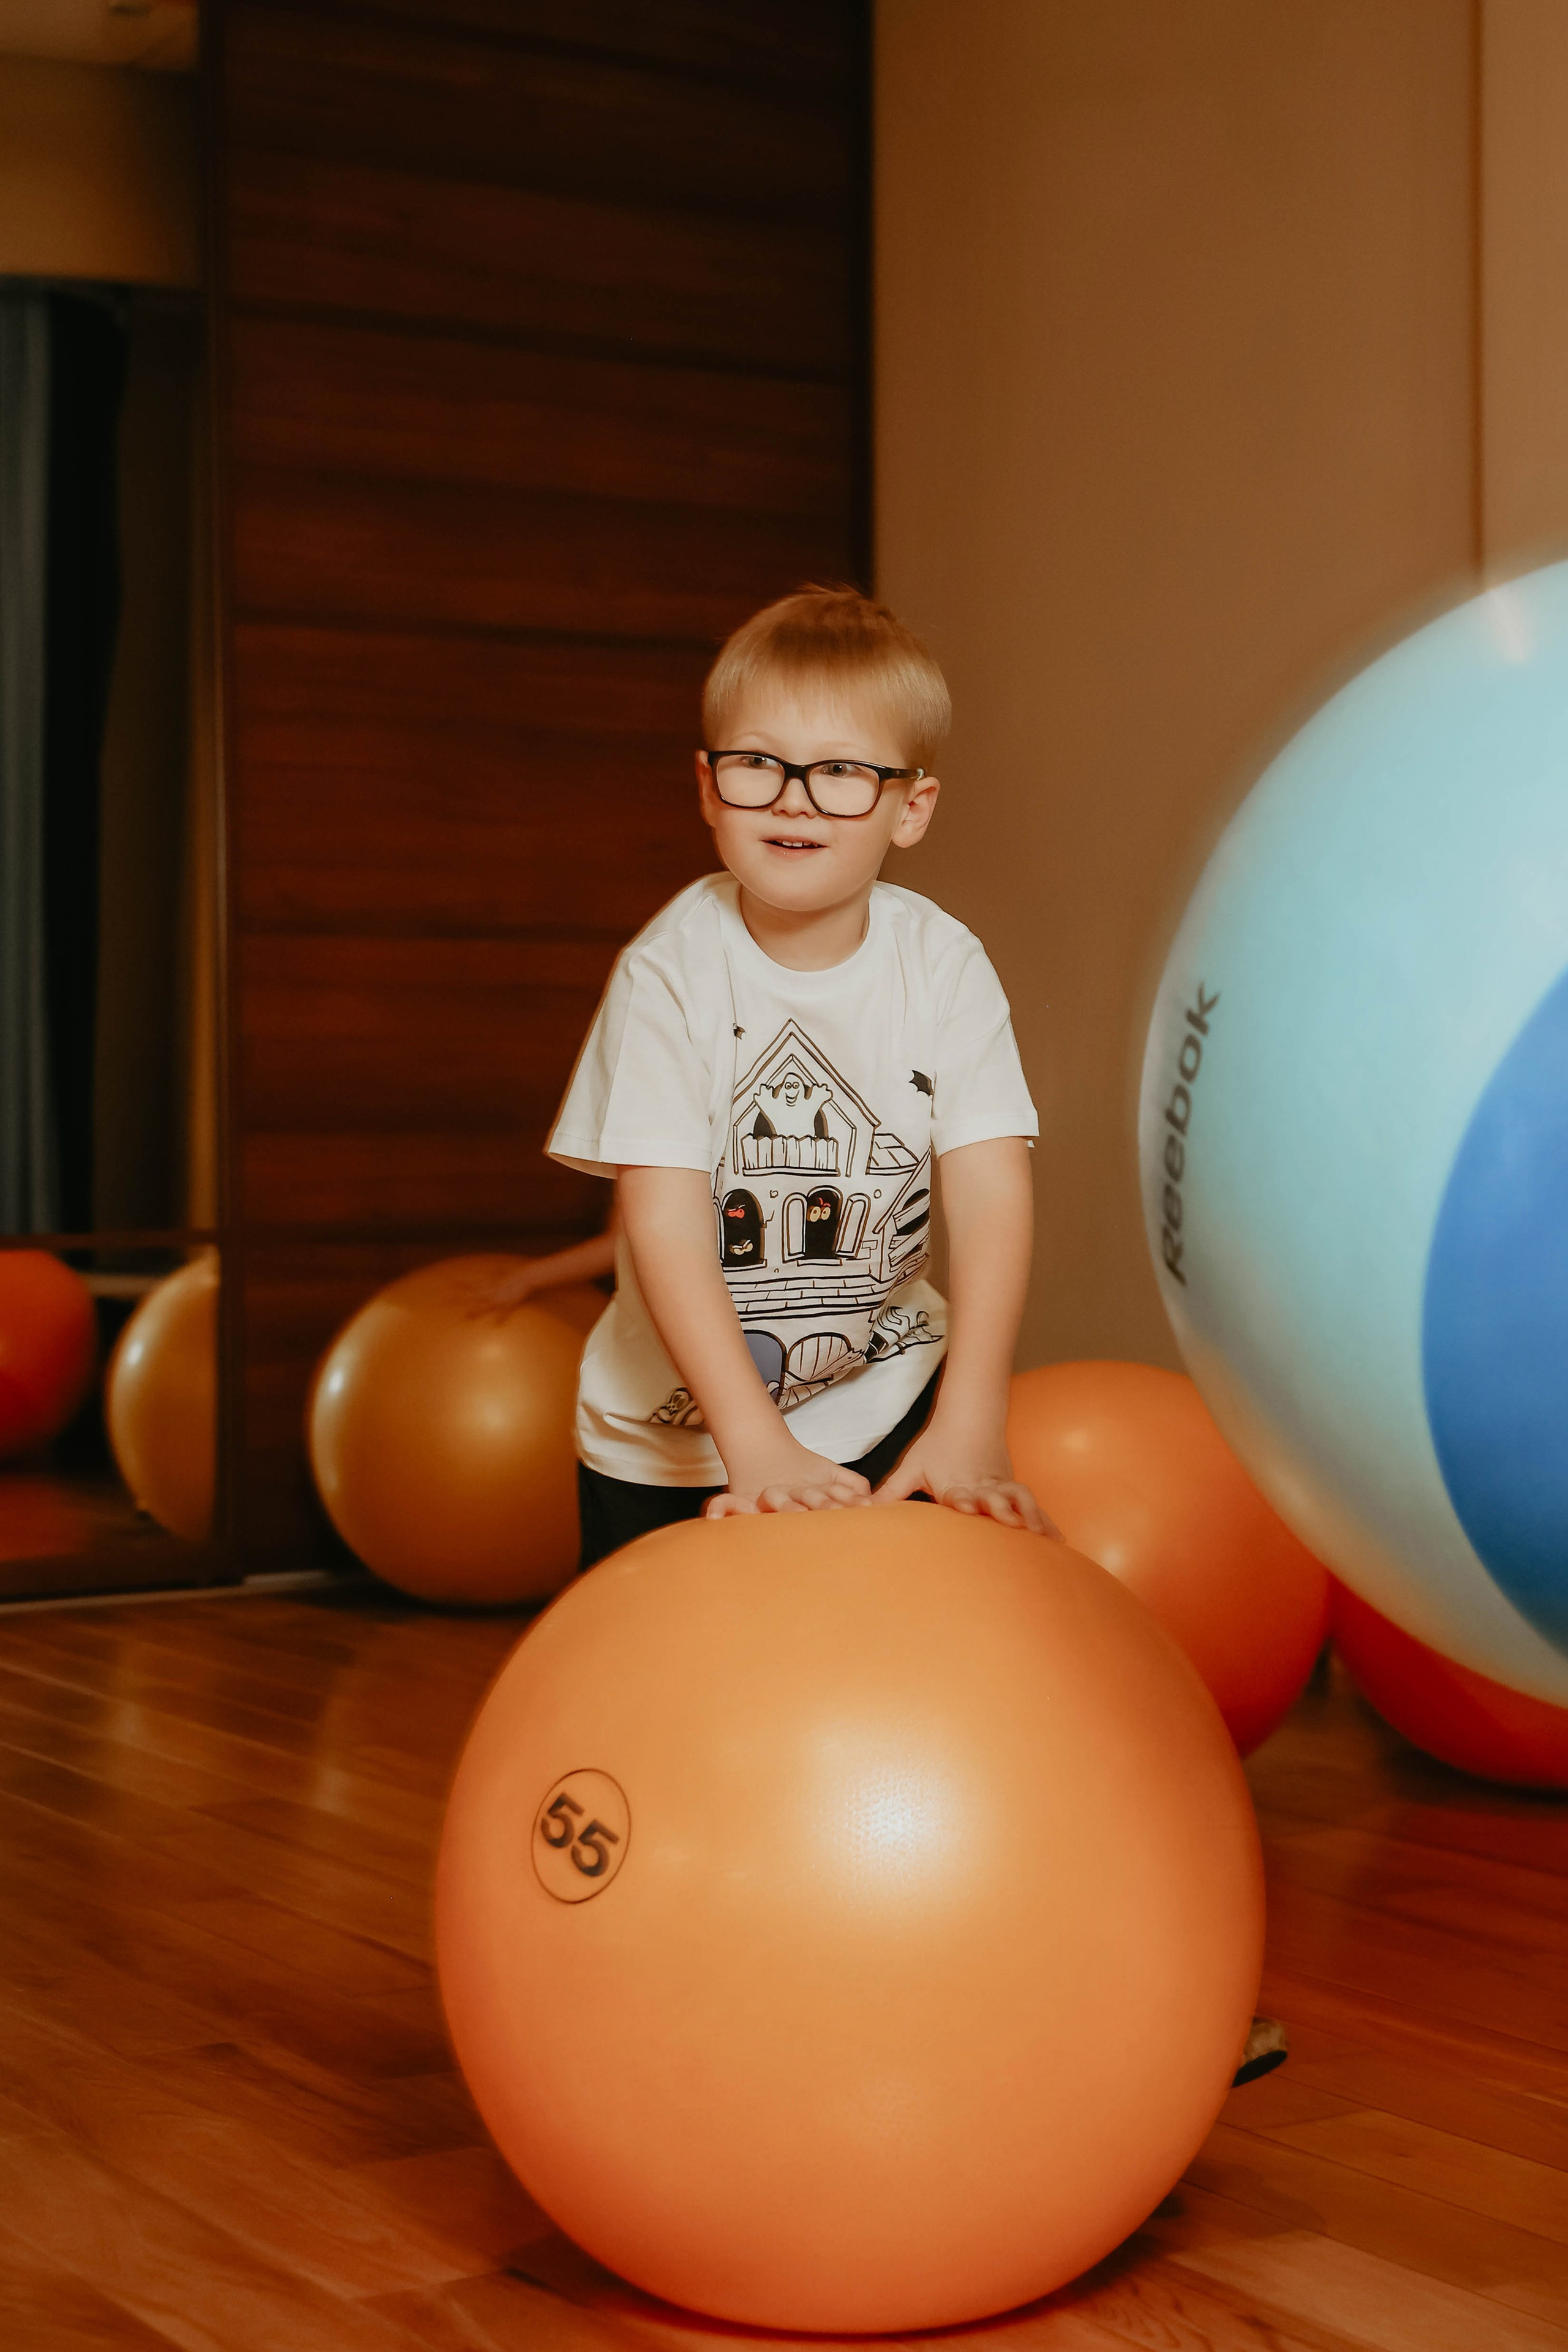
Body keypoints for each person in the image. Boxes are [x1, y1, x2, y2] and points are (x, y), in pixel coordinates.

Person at [545, 583, 1052, 1567]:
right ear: (708, 787)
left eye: (843, 771)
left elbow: (992, 1190)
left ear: (910, 808)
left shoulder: (943, 965)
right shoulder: (669, 971)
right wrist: (755, 1446)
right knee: (678, 1666)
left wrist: (972, 1413)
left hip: (886, 1397)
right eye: (758, 763)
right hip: (675, 1440)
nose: (794, 796)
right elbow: (663, 1220)